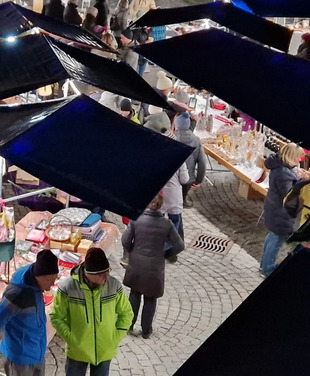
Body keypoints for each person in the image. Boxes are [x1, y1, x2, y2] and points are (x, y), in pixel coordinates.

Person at [52, 248, 133, 376]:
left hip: (104, 351)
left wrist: (115, 337)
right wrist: (72, 339)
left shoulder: (114, 286)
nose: (106, 277)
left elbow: (127, 313)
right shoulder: (68, 287)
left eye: (107, 271)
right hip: (77, 352)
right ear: (88, 273)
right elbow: (56, 317)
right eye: (101, 274)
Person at [0, 251, 61, 376]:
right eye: (49, 280)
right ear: (39, 276)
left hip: (37, 352)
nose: (52, 285)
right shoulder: (17, 294)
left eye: (54, 279)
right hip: (19, 359)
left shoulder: (35, 280)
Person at [121, 194, 184, 339]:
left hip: (136, 264)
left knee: (134, 294)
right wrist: (166, 254)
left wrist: (132, 251)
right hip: (155, 267)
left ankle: (129, 325)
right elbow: (179, 245)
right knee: (150, 298)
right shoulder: (166, 224)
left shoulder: (136, 220)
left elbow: (125, 241)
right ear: (160, 205)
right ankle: (146, 331)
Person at [260, 143, 304, 276]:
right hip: (281, 212)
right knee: (276, 240)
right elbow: (289, 194)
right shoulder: (284, 173)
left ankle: (264, 265)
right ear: (291, 156)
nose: (299, 160)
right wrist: (302, 182)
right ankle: (267, 269)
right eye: (298, 158)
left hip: (274, 207)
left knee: (272, 237)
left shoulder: (279, 166)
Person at [172, 113, 206, 209]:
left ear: (176, 125)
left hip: (173, 178)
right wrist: (199, 180)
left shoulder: (172, 138)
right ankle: (183, 200)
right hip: (188, 179)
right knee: (184, 189)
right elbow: (202, 162)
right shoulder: (196, 140)